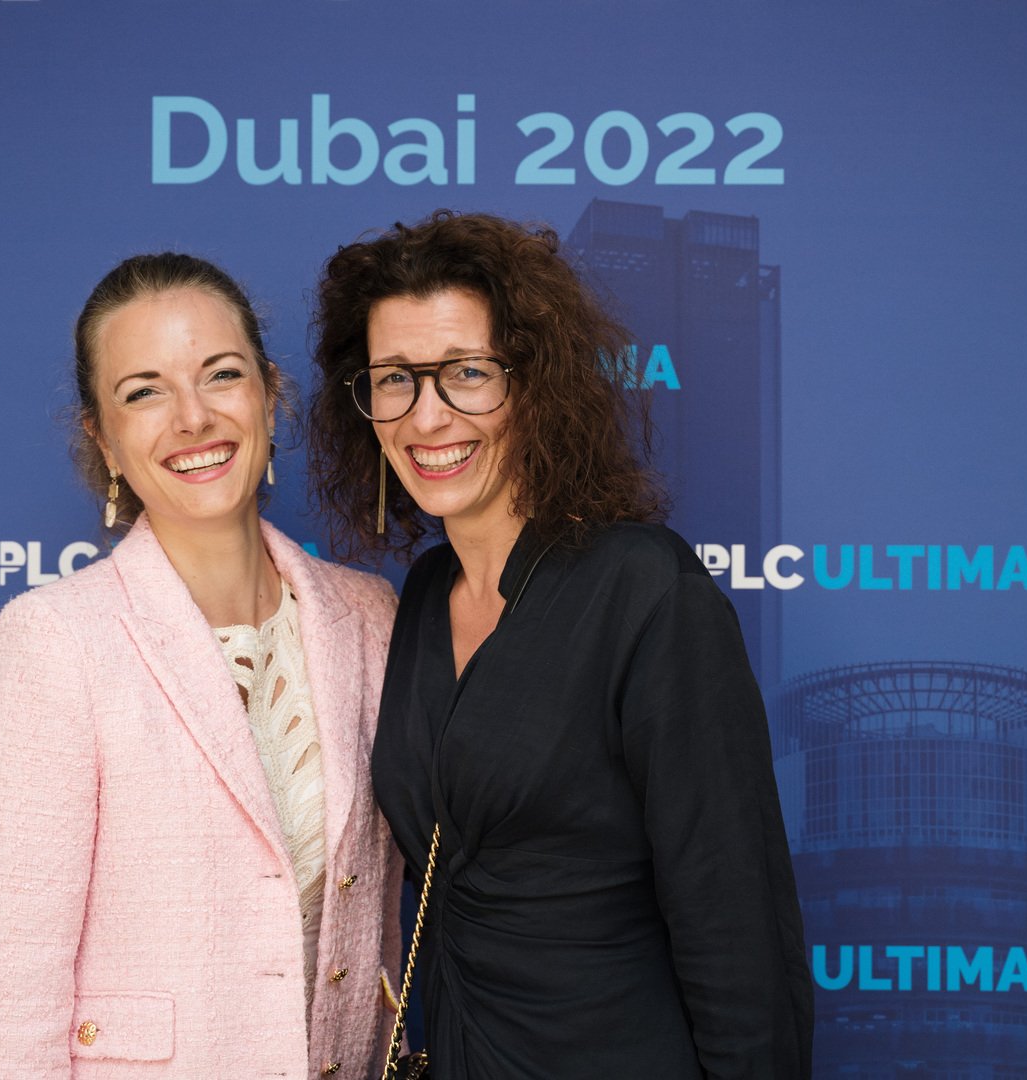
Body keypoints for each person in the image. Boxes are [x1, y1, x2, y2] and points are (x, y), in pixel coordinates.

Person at [307, 212, 813, 1079]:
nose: (427, 416)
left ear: (535, 385)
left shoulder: (643, 588)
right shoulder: (422, 596)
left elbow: (738, 927)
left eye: (467, 373)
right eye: (394, 380)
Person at [0, 253, 402, 1079]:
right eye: (143, 392)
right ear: (103, 437)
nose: (193, 417)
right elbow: (3, 991)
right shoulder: (54, 640)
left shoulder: (371, 616)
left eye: (221, 375)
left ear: (270, 394)